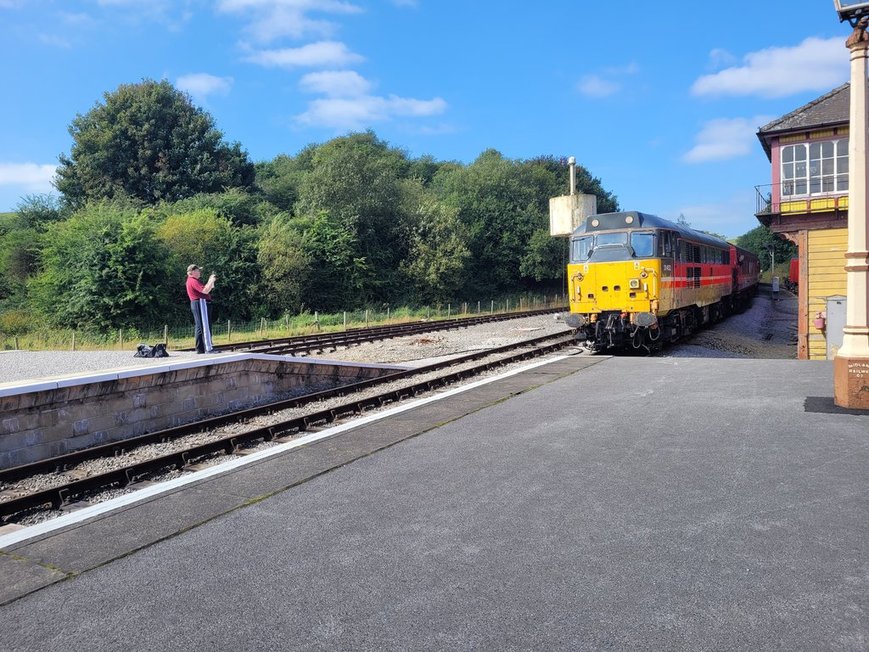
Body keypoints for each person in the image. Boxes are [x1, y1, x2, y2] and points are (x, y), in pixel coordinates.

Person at [186, 264, 217, 353]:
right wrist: (211, 280)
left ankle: (200, 349)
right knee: (204, 326)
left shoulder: (192, 281)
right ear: (192, 272)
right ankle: (208, 348)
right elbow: (205, 290)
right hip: (200, 303)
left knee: (200, 326)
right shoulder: (193, 281)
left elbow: (207, 288)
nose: (199, 272)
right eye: (198, 270)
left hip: (198, 303)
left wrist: (211, 282)